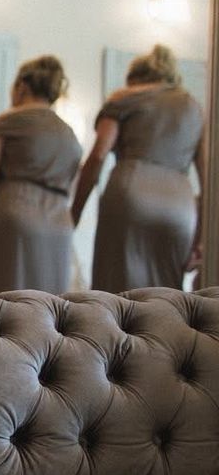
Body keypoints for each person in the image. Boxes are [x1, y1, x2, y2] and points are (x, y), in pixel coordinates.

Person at [74, 44, 206, 290]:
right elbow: (209, 180)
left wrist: (75, 211)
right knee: (167, 293)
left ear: (134, 77)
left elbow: (99, 155)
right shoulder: (193, 107)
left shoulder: (124, 97)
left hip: (130, 192)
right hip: (179, 204)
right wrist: (200, 239)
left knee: (117, 290)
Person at [0, 55, 82, 294]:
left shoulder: (7, 122)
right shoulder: (69, 134)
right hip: (58, 225)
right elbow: (72, 188)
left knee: (6, 307)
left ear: (21, 86)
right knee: (47, 309)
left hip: (15, 216)